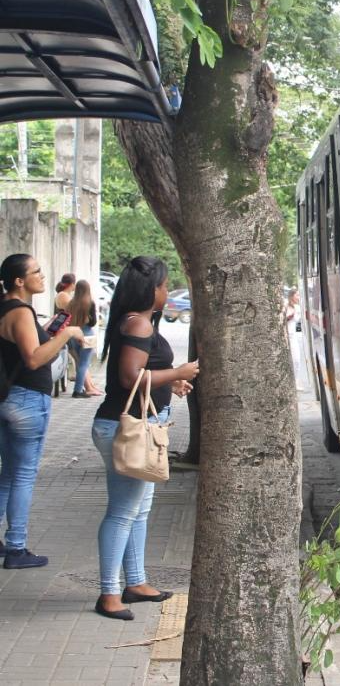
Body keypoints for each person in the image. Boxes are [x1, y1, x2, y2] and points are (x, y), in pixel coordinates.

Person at [91, 256, 199, 620]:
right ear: (151, 289)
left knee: (138, 509)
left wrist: (173, 380)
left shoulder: (137, 321)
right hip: (126, 430)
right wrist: (179, 370)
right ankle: (108, 594)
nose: (168, 292)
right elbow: (129, 377)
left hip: (135, 428)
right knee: (123, 512)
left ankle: (135, 582)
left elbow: (143, 374)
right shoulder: (138, 324)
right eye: (165, 285)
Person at [0, 254, 87, 569]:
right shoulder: (20, 312)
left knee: (9, 473)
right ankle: (16, 548)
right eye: (35, 271)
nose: (42, 274)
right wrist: (67, 334)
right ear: (19, 281)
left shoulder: (11, 310)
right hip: (26, 401)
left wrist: (51, 330)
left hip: (10, 399)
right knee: (23, 475)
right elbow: (34, 359)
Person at [68, 280, 102, 398]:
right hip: (87, 334)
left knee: (79, 363)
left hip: (73, 334)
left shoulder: (71, 303)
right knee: (84, 363)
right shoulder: (90, 303)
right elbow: (93, 323)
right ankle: (78, 390)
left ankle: (80, 388)